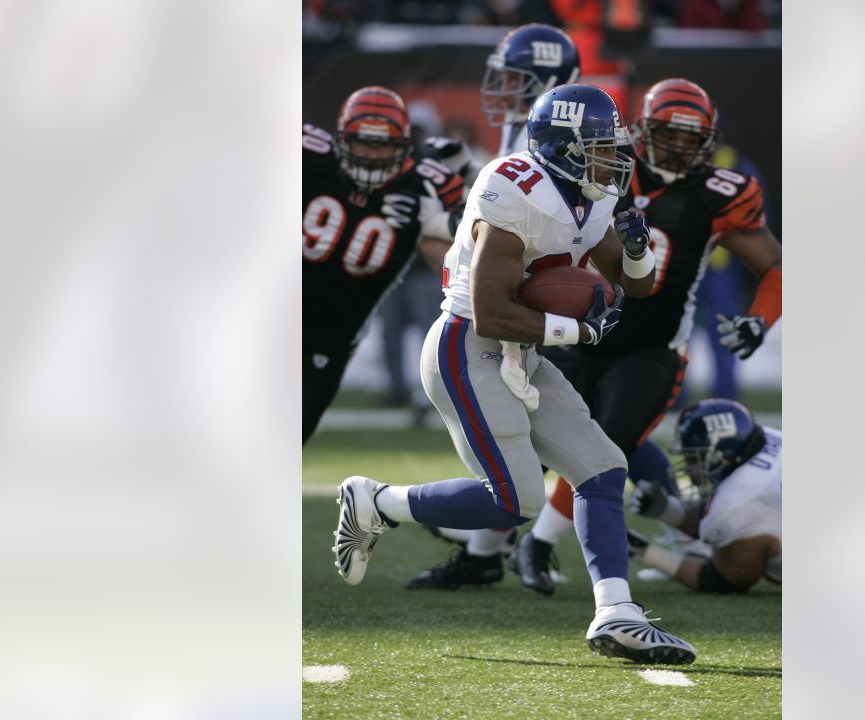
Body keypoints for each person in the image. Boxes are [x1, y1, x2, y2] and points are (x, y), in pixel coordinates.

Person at [333, 83, 697, 665]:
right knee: (514, 501)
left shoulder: (590, 192)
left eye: (613, 147)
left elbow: (636, 285)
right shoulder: (512, 190)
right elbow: (491, 308)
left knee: (604, 467)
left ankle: (617, 613)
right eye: (600, 147)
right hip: (466, 345)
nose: (614, 160)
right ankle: (378, 502)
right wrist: (578, 331)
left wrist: (636, 252)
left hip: (521, 351)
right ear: (562, 146)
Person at [508, 78, 783, 595]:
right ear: (641, 129)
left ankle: (538, 544)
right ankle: (484, 542)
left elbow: (776, 267)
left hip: (651, 345)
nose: (679, 146)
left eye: (690, 137)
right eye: (668, 134)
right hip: (578, 328)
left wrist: (761, 319)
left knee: (606, 440)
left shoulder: (719, 194)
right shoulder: (598, 158)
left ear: (708, 139)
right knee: (534, 435)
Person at [403, 22, 585, 586]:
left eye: (515, 78)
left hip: (544, 304)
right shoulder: (521, 134)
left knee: (571, 436)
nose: (502, 86)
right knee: (534, 438)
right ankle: (485, 549)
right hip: (504, 305)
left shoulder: (564, 140)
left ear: (548, 79)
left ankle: (476, 536)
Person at [302, 86, 464, 444]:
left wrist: (434, 221)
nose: (373, 155)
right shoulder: (308, 157)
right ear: (342, 138)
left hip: (329, 345)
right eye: (363, 142)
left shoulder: (425, 186)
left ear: (403, 146)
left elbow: (472, 243)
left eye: (383, 145)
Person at [627, 399, 782, 592]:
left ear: (720, 454)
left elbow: (725, 580)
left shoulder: (736, 504)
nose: (687, 465)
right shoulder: (769, 436)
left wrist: (645, 552)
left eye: (692, 458)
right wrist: (668, 510)